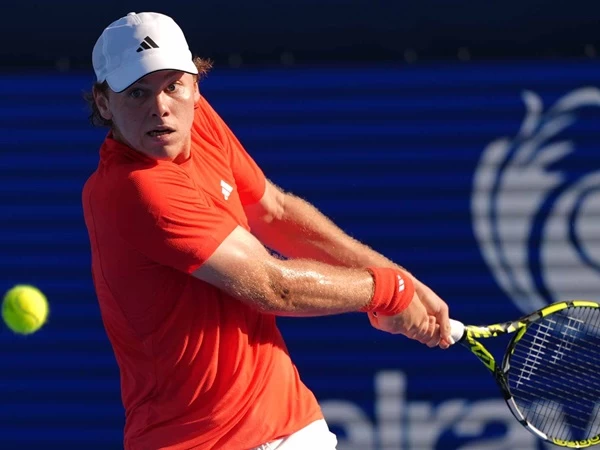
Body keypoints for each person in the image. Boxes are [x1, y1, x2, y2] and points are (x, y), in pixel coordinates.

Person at [82, 11, 453, 450]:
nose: (160, 106)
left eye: (173, 86)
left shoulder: (192, 122)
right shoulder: (135, 190)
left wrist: (403, 280)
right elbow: (274, 287)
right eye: (137, 92)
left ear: (195, 87)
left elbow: (275, 212)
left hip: (290, 423)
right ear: (104, 103)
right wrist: (389, 290)